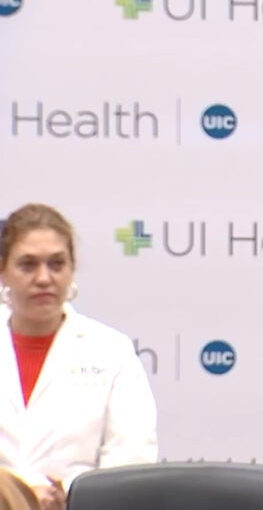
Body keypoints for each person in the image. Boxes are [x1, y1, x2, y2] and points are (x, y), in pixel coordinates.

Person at [0, 203, 158, 510]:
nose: (44, 278)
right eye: (28, 265)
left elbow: (132, 459)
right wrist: (14, 490)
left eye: (56, 264)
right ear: (2, 270)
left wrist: (71, 493)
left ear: (72, 269)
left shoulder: (111, 350)